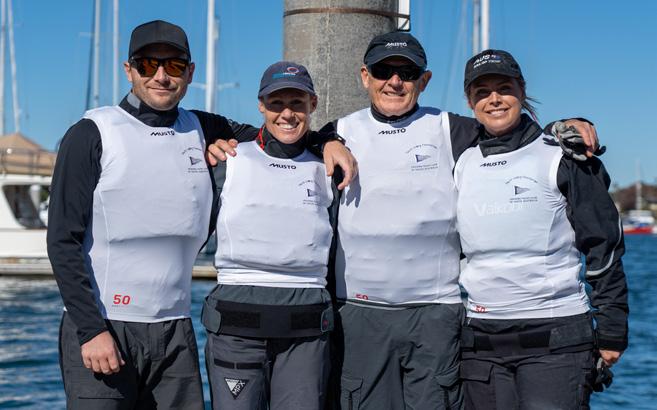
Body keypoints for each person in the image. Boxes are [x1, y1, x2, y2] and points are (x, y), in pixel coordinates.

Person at [207, 32, 598, 410]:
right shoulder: (337, 133)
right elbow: (280, 137)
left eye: (407, 73)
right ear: (365, 77)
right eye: (383, 71)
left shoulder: (454, 130)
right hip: (359, 313)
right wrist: (321, 141)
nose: (394, 81)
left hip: (435, 314)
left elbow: (509, 128)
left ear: (423, 81)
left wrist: (564, 126)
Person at [47, 20, 354, 410]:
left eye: (174, 65)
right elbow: (62, 240)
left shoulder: (203, 127)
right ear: (129, 70)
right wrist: (91, 330)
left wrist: (328, 141)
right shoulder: (92, 132)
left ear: (190, 72)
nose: (161, 75)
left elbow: (279, 134)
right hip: (105, 326)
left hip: (175, 332)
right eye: (148, 64)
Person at [454, 49, 628, 410]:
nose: (494, 99)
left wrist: (612, 328)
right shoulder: (462, 161)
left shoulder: (562, 155)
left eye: (504, 88)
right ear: (470, 102)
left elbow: (604, 244)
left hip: (556, 339)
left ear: (522, 90)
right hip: (481, 342)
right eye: (482, 92)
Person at [200, 61, 338, 410]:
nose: (287, 114)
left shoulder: (328, 168)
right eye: (276, 103)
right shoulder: (228, 160)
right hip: (236, 323)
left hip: (305, 326)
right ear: (261, 106)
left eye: (297, 103)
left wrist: (332, 142)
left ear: (313, 104)